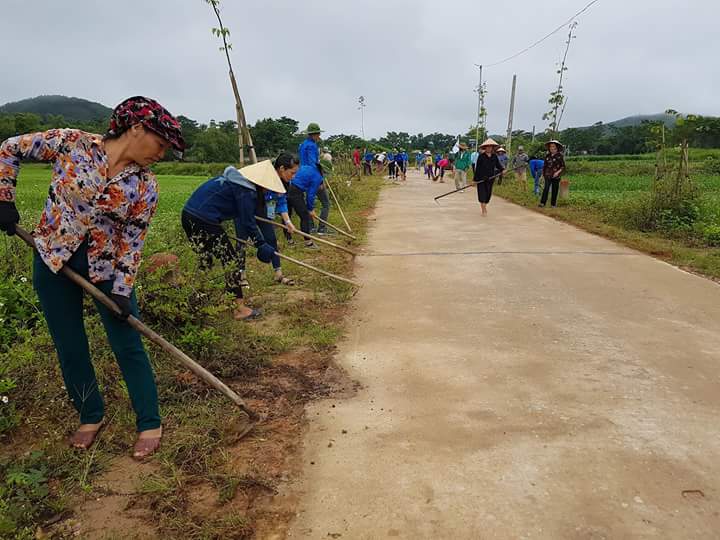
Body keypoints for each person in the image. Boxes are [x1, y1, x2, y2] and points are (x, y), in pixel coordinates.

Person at [0, 96, 184, 459]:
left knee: (128, 344)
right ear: (136, 128)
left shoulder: (146, 186)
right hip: (53, 259)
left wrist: (121, 290)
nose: (161, 154)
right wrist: (4, 198)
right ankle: (90, 414)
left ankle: (149, 421)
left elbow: (133, 243)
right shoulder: (72, 143)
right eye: (160, 144)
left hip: (107, 270)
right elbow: (8, 148)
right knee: (69, 344)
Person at [183, 160, 278, 320]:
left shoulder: (233, 180)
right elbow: (248, 222)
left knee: (205, 260)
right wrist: (261, 244)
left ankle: (198, 301)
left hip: (188, 216)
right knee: (231, 261)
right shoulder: (246, 189)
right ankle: (239, 309)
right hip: (205, 220)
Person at [256, 153, 299, 285]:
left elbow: (281, 203)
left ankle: (278, 274)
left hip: (264, 211)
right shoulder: (264, 177)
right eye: (292, 172)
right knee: (241, 242)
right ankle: (241, 277)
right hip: (248, 210)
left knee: (271, 240)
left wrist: (288, 222)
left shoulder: (284, 183)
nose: (294, 176)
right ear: (281, 169)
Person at [473, 138, 504, 216]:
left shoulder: (494, 156)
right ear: (485, 148)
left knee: (488, 195)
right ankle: (484, 210)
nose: (489, 148)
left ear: (492, 148)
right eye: (487, 147)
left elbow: (498, 165)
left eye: (490, 147)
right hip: (481, 179)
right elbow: (478, 169)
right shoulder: (481, 157)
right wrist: (475, 180)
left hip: (491, 178)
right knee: (482, 194)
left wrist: (502, 170)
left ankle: (484, 206)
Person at [539, 140, 566, 208]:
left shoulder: (560, 156)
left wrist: (557, 172)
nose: (551, 148)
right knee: (546, 188)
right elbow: (545, 166)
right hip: (547, 174)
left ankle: (553, 204)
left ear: (556, 147)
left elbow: (563, 166)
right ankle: (542, 203)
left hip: (556, 176)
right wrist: (542, 175)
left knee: (555, 189)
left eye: (553, 146)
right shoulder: (547, 156)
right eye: (550, 146)